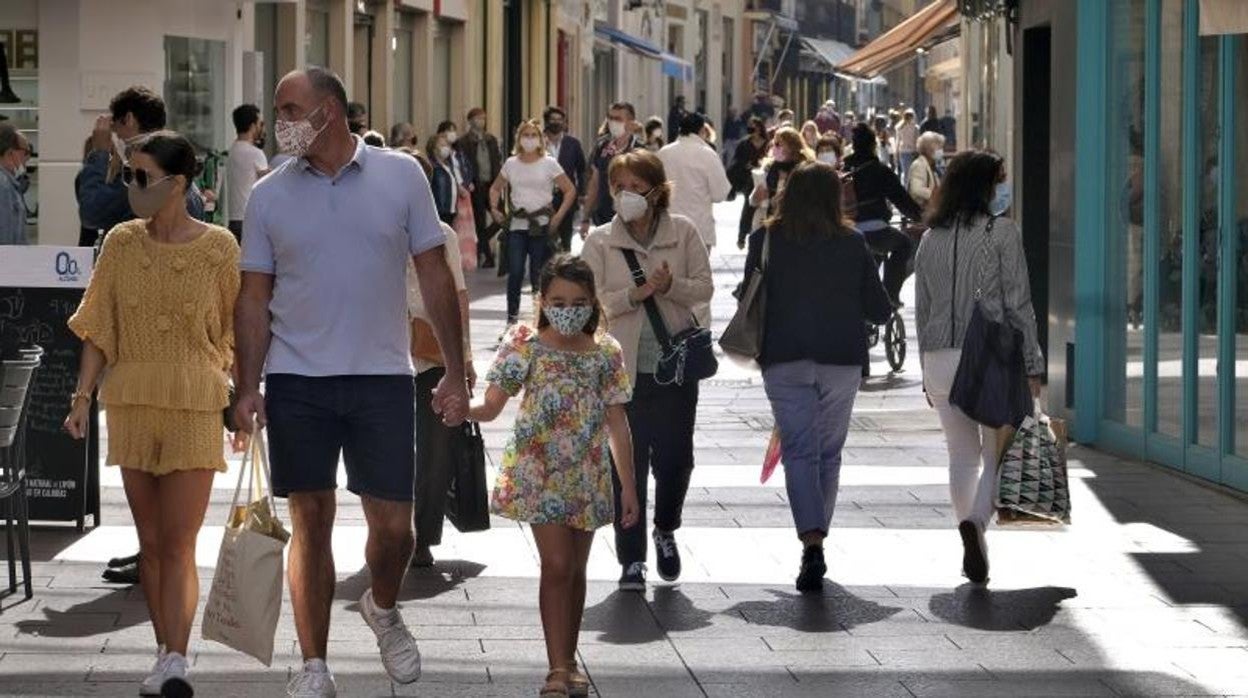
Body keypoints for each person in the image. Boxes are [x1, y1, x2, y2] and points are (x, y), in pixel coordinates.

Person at [234, 67, 468, 697]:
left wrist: (454, 369)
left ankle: (382, 607)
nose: (278, 119)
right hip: (297, 379)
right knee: (309, 522)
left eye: (289, 107)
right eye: (277, 108)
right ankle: (314, 665)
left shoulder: (401, 175)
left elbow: (437, 277)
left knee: (396, 529)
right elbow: (253, 299)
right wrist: (246, 385)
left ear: (329, 111)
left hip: (382, 376)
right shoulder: (269, 194)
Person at [64, 131, 241, 697]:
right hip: (132, 400)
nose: (132, 186)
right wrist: (81, 399)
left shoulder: (219, 248)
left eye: (142, 177)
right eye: (129, 176)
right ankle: (164, 652)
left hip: (194, 400)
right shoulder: (119, 242)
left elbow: (238, 331)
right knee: (151, 539)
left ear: (179, 183)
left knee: (179, 541)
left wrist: (241, 399)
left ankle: (178, 657)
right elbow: (97, 326)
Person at [469, 255, 639, 698]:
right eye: (559, 300)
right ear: (542, 301)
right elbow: (490, 406)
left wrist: (630, 488)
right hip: (538, 471)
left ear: (592, 303)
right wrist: (457, 410)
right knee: (557, 565)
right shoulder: (523, 343)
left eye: (579, 301)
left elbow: (617, 421)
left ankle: (567, 660)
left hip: (587, 475)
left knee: (577, 571)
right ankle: (556, 671)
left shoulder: (606, 352)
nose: (568, 308)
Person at [742, 162, 892, 592]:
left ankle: (811, 541)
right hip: (841, 358)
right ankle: (816, 538)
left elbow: (747, 295)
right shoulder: (853, 243)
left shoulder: (765, 238)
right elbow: (878, 308)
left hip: (784, 357)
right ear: (832, 198)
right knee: (828, 452)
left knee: (800, 452)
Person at [581, 150, 713, 592]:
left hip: (674, 370)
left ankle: (666, 527)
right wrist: (637, 293)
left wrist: (670, 286)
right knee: (626, 468)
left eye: (637, 187)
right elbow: (591, 303)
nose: (627, 196)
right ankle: (631, 559)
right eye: (620, 187)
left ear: (657, 191)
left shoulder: (684, 232)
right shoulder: (601, 241)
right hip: (623, 370)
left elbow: (704, 288)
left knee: (677, 461)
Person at [913, 150, 1044, 586]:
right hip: (987, 358)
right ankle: (976, 525)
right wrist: (1033, 363)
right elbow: (1018, 303)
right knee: (998, 454)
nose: (1002, 187)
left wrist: (925, 373)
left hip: (939, 359)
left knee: (960, 456)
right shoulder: (1002, 231)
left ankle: (970, 537)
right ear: (985, 186)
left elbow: (921, 307)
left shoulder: (929, 237)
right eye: (999, 180)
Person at [401, 150, 475, 569]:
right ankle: (393, 529)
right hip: (385, 356)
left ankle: (423, 537)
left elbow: (459, 296)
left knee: (433, 451)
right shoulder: (374, 229)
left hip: (433, 356)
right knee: (392, 451)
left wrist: (462, 358)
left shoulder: (441, 233)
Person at [78, 86, 205, 249]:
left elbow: (92, 213)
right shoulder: (185, 180)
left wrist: (99, 152)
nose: (118, 142)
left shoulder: (142, 180)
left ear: (129, 119)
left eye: (117, 133)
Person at [489, 119, 576, 326]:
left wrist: (558, 217)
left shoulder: (549, 163)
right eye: (525, 135)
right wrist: (494, 209)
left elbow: (570, 190)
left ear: (540, 139)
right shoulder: (511, 163)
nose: (529, 139)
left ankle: (541, 321)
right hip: (518, 225)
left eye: (533, 135)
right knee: (516, 272)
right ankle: (512, 320)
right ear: (519, 139)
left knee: (540, 273)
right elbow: (495, 188)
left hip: (541, 225)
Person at [841, 123, 925, 306]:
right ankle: (889, 297)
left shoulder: (842, 170)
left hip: (845, 231)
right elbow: (902, 200)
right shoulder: (880, 170)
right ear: (873, 145)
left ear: (853, 145)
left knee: (871, 255)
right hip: (875, 231)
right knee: (903, 244)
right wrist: (922, 218)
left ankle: (865, 298)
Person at [658, 112, 731, 250]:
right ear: (702, 130)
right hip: (699, 227)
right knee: (698, 270)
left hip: (668, 226)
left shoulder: (664, 153)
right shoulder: (708, 154)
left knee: (670, 270)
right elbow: (720, 194)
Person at [582, 102, 643, 232]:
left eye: (618, 119)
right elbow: (594, 182)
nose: (613, 122)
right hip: (603, 217)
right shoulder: (603, 146)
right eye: (610, 118)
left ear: (631, 122)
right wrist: (585, 217)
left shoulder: (639, 149)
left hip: (630, 219)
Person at [459, 107, 504, 268]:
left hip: (491, 185)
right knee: (479, 221)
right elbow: (463, 165)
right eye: (478, 118)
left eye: (483, 118)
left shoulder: (490, 140)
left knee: (501, 218)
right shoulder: (464, 142)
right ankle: (488, 257)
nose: (481, 121)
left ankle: (481, 240)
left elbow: (497, 161)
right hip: (476, 186)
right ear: (470, 121)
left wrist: (499, 182)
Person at [749, 126, 814, 233]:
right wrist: (755, 198)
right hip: (766, 224)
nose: (775, 147)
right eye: (774, 143)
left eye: (779, 144)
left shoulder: (804, 169)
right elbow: (752, 200)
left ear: (792, 146)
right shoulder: (768, 167)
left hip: (795, 226)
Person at [543, 105, 587, 252]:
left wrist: (581, 192)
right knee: (545, 237)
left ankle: (564, 264)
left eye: (559, 120)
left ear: (564, 123)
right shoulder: (538, 142)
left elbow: (581, 169)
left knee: (566, 235)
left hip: (566, 196)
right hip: (543, 196)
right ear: (546, 121)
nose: (556, 122)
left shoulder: (573, 144)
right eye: (552, 119)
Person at [436, 120, 479, 267]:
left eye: (454, 129)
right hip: (450, 200)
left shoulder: (458, 153)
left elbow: (466, 168)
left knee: (463, 229)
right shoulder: (440, 162)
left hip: (461, 195)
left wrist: (467, 183)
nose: (452, 133)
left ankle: (463, 259)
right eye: (448, 130)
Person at [226, 103, 270, 242]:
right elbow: (268, 185)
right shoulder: (255, 153)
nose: (262, 128)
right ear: (252, 126)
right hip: (250, 220)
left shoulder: (232, 150)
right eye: (260, 123)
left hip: (234, 220)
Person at [728, 117, 769, 249]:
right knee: (748, 207)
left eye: (755, 126)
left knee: (764, 207)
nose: (752, 129)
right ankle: (742, 237)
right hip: (748, 180)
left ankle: (761, 234)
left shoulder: (767, 143)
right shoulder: (744, 144)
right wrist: (746, 165)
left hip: (764, 179)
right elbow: (737, 161)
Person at [0, 122, 31, 245]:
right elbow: (5, 241)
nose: (28, 158)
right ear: (11, 153)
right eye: (25, 152)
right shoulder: (3, 186)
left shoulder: (9, 184)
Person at [427, 133, 461, 225]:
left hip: (450, 210)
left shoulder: (448, 166)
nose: (446, 148)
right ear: (434, 149)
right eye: (442, 145)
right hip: (440, 212)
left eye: (447, 145)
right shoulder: (432, 167)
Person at [907, 131, 945, 208]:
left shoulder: (932, 165)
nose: (941, 151)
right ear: (929, 149)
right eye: (939, 148)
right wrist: (933, 194)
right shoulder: (919, 165)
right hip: (921, 209)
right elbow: (916, 189)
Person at [896, 109, 920, 178]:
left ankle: (906, 187)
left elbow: (898, 141)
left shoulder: (899, 127)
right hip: (913, 152)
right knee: (913, 173)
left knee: (906, 172)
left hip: (903, 151)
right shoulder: (916, 128)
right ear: (912, 117)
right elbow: (917, 141)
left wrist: (896, 153)